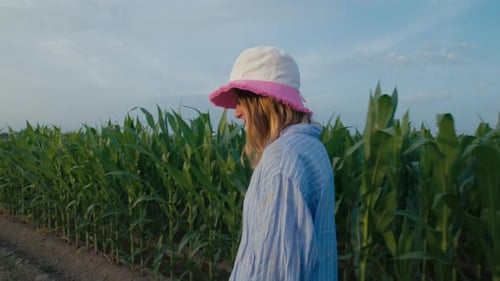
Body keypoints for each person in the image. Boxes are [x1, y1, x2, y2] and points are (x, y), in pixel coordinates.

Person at [209, 46, 338, 281]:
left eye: (240, 101)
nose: (237, 113)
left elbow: (274, 269)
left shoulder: (281, 161)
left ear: (262, 102)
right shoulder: (312, 148)